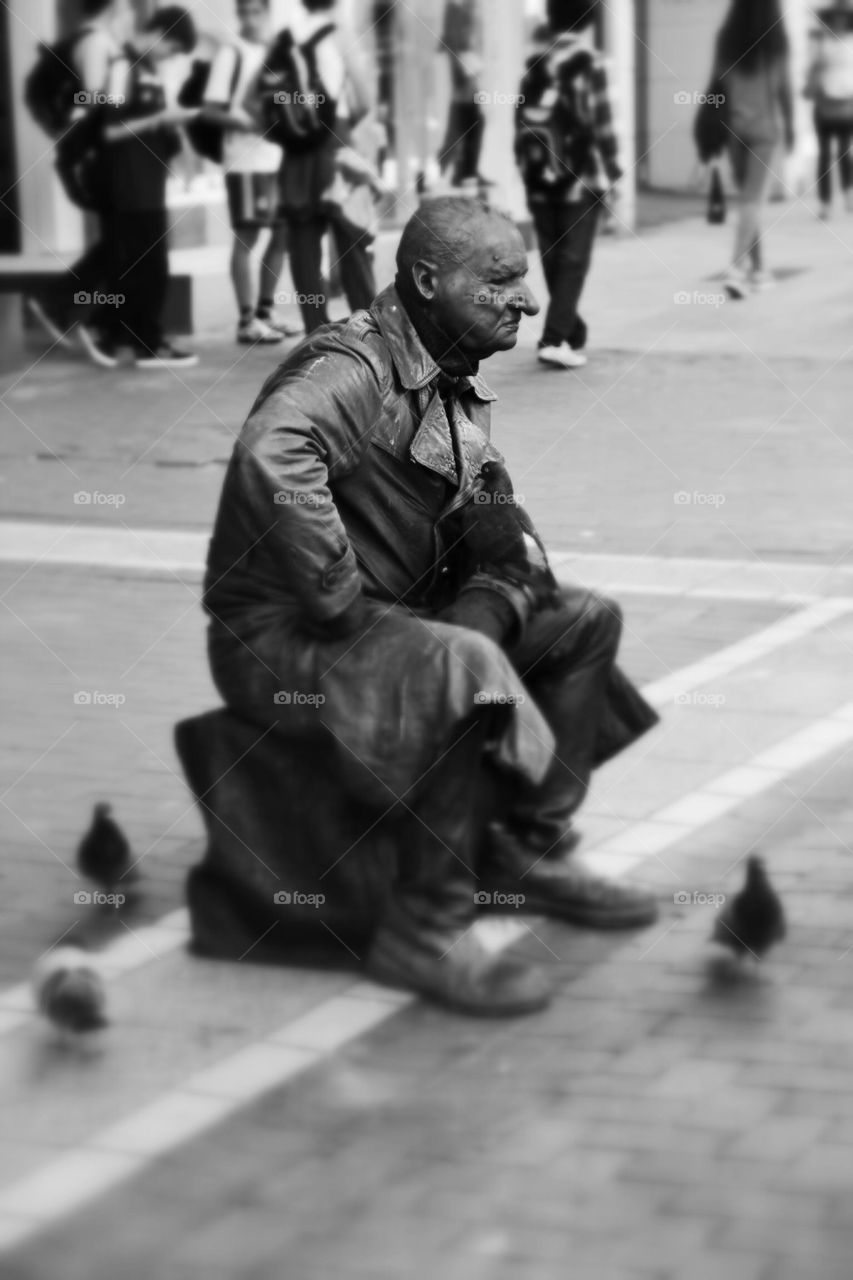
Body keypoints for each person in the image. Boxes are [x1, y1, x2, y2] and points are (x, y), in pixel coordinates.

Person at [196, 196, 659, 1018]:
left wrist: (494, 589)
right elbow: (273, 448)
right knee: (459, 664)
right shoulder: (354, 368)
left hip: (389, 619)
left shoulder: (451, 381)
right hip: (282, 638)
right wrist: (336, 594)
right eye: (500, 280)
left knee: (583, 621)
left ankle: (524, 845)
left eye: (523, 278)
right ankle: (424, 926)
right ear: (425, 280)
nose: (526, 299)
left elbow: (501, 529)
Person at [516, 0, 621, 371]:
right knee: (573, 261)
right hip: (580, 179)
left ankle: (570, 329)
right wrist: (613, 172)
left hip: (540, 179)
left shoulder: (536, 62)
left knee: (553, 256)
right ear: (588, 20)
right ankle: (554, 338)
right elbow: (602, 121)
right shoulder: (589, 62)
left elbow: (520, 121)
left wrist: (527, 172)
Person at [95, 6, 200, 368]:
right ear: (158, 33)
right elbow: (109, 130)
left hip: (150, 186)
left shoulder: (151, 71)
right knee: (144, 267)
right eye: (171, 49)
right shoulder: (122, 67)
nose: (170, 57)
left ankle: (140, 338)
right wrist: (159, 118)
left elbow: (159, 127)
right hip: (128, 186)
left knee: (152, 266)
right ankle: (141, 342)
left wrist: (179, 140)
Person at [202, 0, 301, 344]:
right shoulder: (232, 53)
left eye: (256, 12)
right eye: (244, 12)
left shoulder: (278, 54)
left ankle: (264, 310)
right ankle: (246, 321)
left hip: (277, 156)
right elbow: (210, 110)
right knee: (248, 236)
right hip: (244, 159)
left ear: (267, 13)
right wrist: (249, 121)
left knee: (281, 233)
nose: (249, 19)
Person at [26, 0, 120, 364]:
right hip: (94, 157)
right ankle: (62, 305)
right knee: (119, 239)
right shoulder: (96, 43)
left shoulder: (93, 39)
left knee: (118, 239)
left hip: (89, 155)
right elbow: (97, 102)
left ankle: (81, 312)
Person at [277, 0, 377, 333]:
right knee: (351, 238)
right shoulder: (340, 32)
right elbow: (364, 98)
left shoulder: (286, 35)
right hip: (336, 144)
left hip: (297, 151)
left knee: (303, 243)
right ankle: (368, 332)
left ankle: (315, 332)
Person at [709, 0, 794, 299]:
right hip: (765, 130)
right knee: (752, 200)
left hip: (734, 127)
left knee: (748, 199)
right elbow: (784, 88)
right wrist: (792, 126)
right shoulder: (776, 40)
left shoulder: (726, 38)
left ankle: (758, 270)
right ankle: (736, 268)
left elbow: (717, 84)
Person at [805, 6, 853, 219]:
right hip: (823, 105)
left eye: (842, 18)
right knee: (824, 155)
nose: (838, 22)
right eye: (834, 18)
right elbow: (812, 71)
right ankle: (825, 203)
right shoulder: (820, 43)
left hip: (848, 104)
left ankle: (848, 195)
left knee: (844, 151)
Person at [438, 0, 486, 188]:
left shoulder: (462, 14)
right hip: (464, 86)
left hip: (467, 85)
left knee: (467, 128)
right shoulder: (456, 13)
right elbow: (455, 42)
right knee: (466, 128)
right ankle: (463, 171)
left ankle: (465, 171)